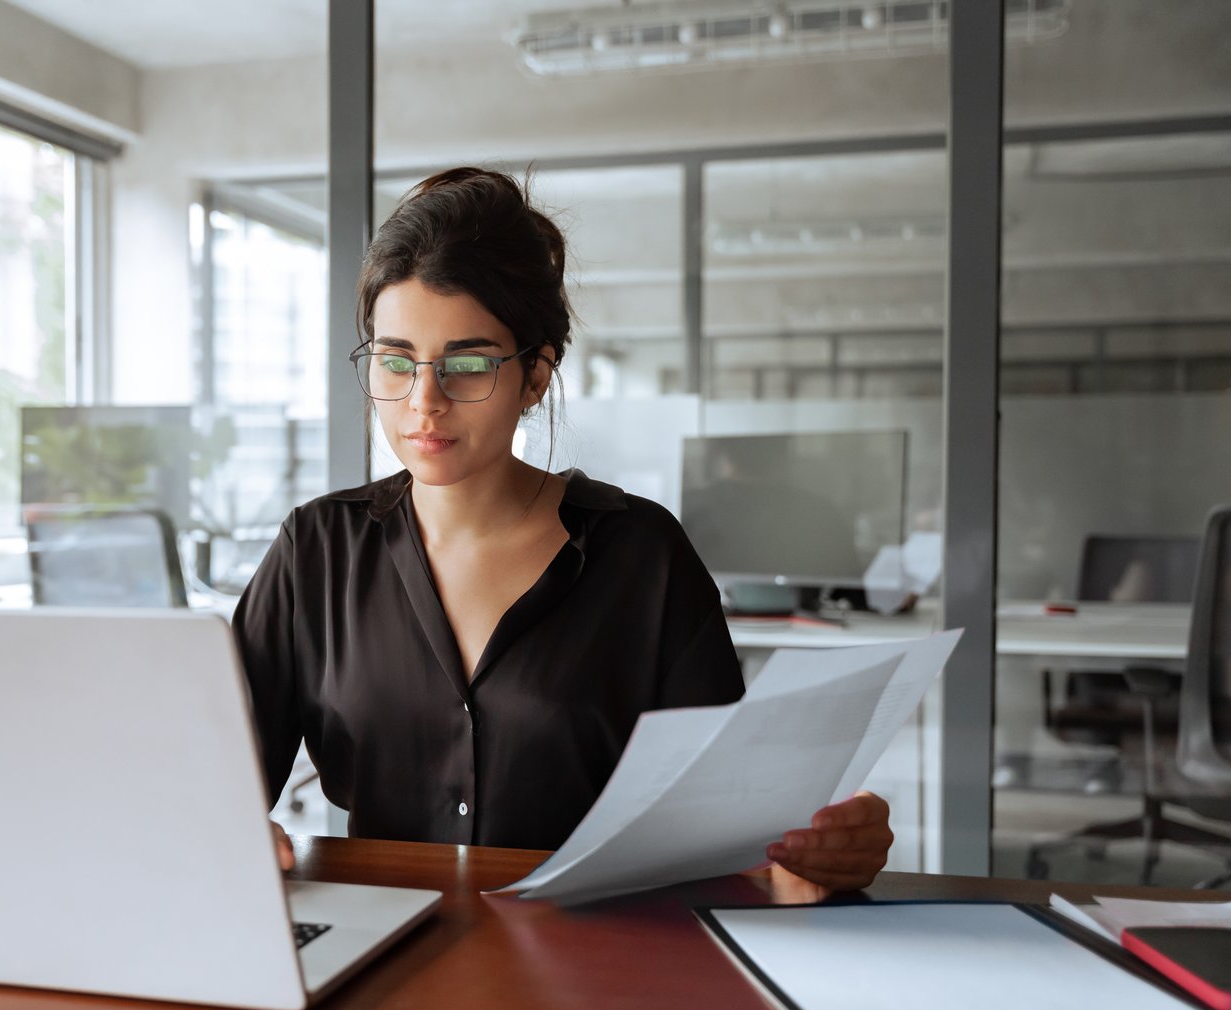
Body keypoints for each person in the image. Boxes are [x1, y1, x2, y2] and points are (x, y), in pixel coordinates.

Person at [232, 167, 892, 893]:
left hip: (596, 962)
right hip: (379, 959)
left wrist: (818, 853)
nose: (424, 402)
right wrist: (221, 824)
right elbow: (218, 784)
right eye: (396, 362)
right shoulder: (317, 551)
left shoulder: (641, 556)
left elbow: (732, 837)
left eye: (469, 364)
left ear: (538, 375)